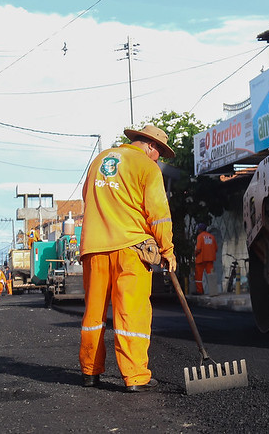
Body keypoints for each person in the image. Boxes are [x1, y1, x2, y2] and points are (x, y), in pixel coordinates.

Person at [78, 124, 177, 393]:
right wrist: (167, 249)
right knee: (131, 312)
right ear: (150, 146)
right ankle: (135, 377)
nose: (159, 158)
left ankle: (90, 371)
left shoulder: (100, 160)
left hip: (94, 248)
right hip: (130, 249)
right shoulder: (147, 167)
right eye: (159, 153)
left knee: (94, 314)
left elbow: (87, 196)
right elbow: (158, 213)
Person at [194, 223, 217, 295]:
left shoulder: (200, 237)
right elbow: (216, 248)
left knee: (198, 277)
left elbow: (198, 249)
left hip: (201, 259)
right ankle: (213, 291)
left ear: (200, 229)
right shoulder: (212, 237)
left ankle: (200, 291)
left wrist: (195, 254)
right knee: (211, 276)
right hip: (210, 259)